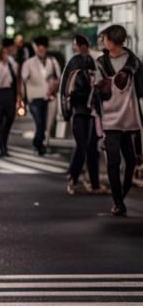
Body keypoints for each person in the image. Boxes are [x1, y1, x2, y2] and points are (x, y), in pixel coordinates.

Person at [93, 24, 143, 217]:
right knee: (113, 162)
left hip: (129, 118)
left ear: (112, 42)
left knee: (130, 161)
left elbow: (141, 89)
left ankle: (121, 193)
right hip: (110, 118)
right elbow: (97, 89)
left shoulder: (134, 63)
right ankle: (118, 202)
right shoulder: (101, 62)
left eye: (105, 39)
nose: (103, 42)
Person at [60, 34, 102, 195]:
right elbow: (66, 87)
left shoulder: (84, 61)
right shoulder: (84, 61)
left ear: (81, 45)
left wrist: (65, 110)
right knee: (84, 145)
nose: (74, 47)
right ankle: (75, 179)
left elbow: (64, 88)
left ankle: (89, 182)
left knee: (89, 147)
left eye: (75, 44)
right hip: (82, 110)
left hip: (85, 110)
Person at [20, 36, 61, 156]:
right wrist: (21, 98)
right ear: (36, 49)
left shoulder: (52, 61)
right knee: (39, 122)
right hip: (34, 97)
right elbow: (23, 78)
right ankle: (38, 144)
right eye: (39, 47)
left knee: (48, 123)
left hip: (50, 97)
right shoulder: (29, 63)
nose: (41, 50)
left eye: (43, 47)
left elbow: (59, 77)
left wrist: (54, 84)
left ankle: (41, 144)